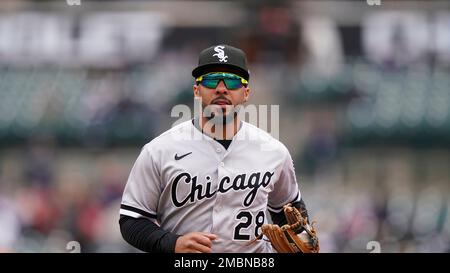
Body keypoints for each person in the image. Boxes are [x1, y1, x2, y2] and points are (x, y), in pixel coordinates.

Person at [119, 44, 312, 253]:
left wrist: (304, 241)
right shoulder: (158, 151)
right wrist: (171, 243)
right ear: (197, 91)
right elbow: (132, 220)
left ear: (245, 93)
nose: (221, 88)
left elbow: (291, 211)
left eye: (232, 81)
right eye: (211, 80)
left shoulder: (274, 152)